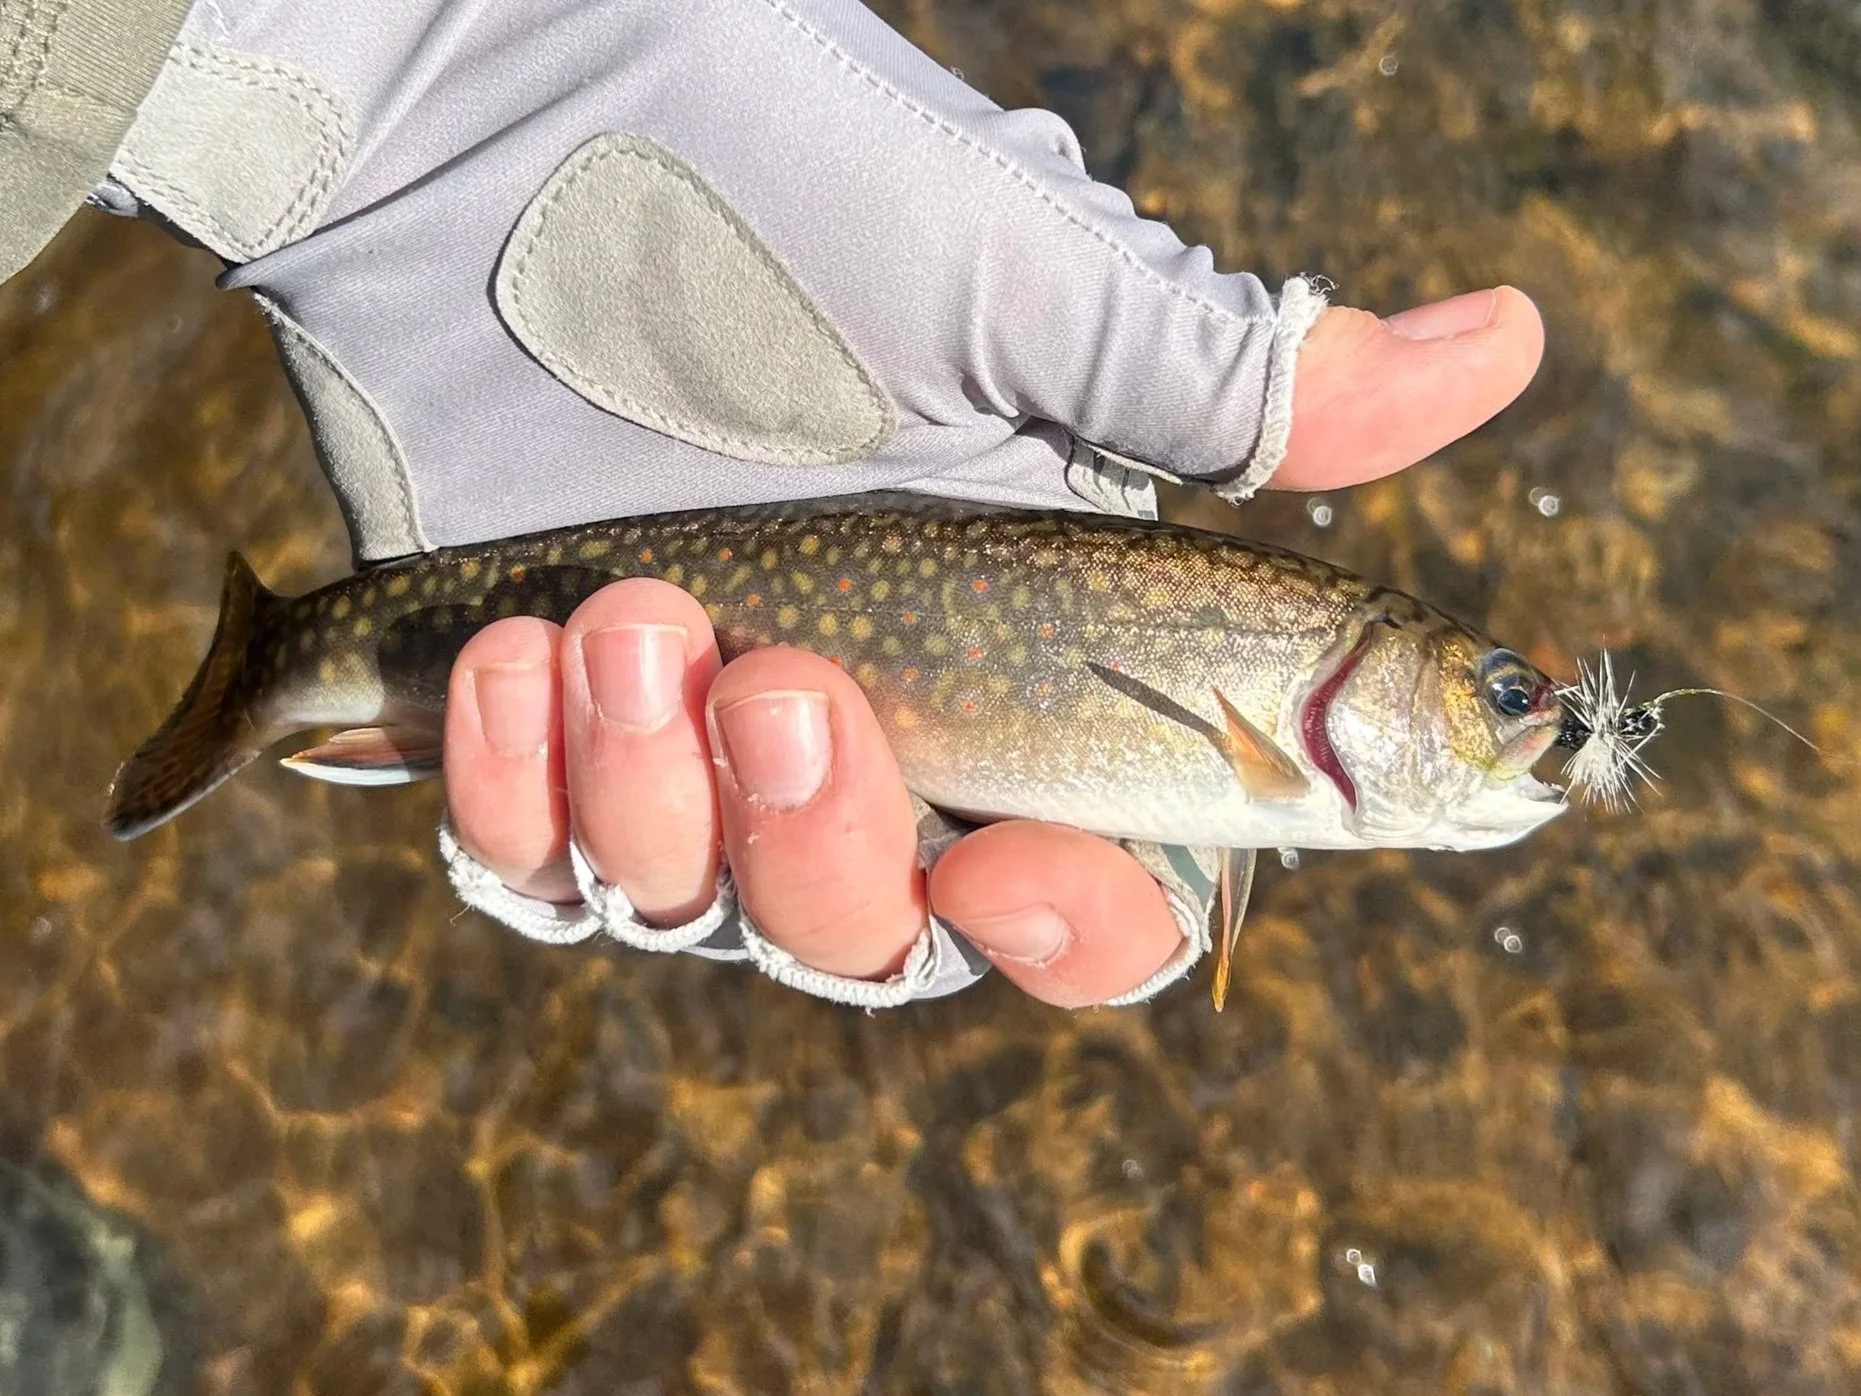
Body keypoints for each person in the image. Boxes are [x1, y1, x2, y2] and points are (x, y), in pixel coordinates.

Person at [2, 0, 1543, 1008]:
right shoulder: (1280, 733)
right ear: (1372, 673)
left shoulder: (1286, 748)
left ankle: (312, 663)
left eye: (1516, 699)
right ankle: (299, 666)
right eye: (1499, 693)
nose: (1529, 718)